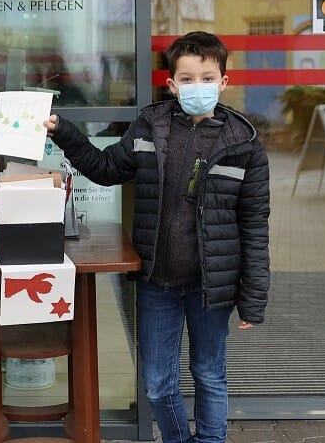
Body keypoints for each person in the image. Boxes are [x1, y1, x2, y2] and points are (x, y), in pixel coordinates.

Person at [44, 31, 270, 443]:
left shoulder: (244, 144)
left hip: (211, 284)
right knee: (157, 383)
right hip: (156, 282)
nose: (196, 86)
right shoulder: (152, 124)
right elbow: (106, 167)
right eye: (186, 78)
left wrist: (252, 298)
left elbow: (255, 225)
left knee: (209, 374)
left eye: (206, 77)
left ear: (224, 81)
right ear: (171, 84)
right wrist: (64, 132)